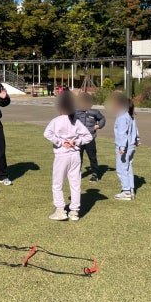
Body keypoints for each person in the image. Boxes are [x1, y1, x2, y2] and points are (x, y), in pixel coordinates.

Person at [43, 92, 93, 221]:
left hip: (62, 155)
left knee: (57, 183)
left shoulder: (56, 121)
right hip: (75, 155)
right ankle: (74, 212)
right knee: (75, 183)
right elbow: (88, 136)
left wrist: (60, 142)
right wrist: (76, 142)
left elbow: (47, 133)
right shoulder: (75, 121)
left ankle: (60, 210)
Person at [112, 93, 139, 201]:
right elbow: (135, 130)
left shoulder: (122, 117)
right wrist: (137, 139)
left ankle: (126, 191)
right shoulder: (130, 116)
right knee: (128, 168)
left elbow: (122, 133)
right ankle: (130, 189)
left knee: (121, 169)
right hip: (131, 146)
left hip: (125, 147)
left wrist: (122, 147)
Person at [75, 92, 106, 182]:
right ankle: (77, 174)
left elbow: (102, 119)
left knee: (92, 157)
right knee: (77, 157)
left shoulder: (95, 112)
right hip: (79, 139)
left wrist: (98, 126)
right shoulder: (76, 112)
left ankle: (95, 174)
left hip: (90, 138)